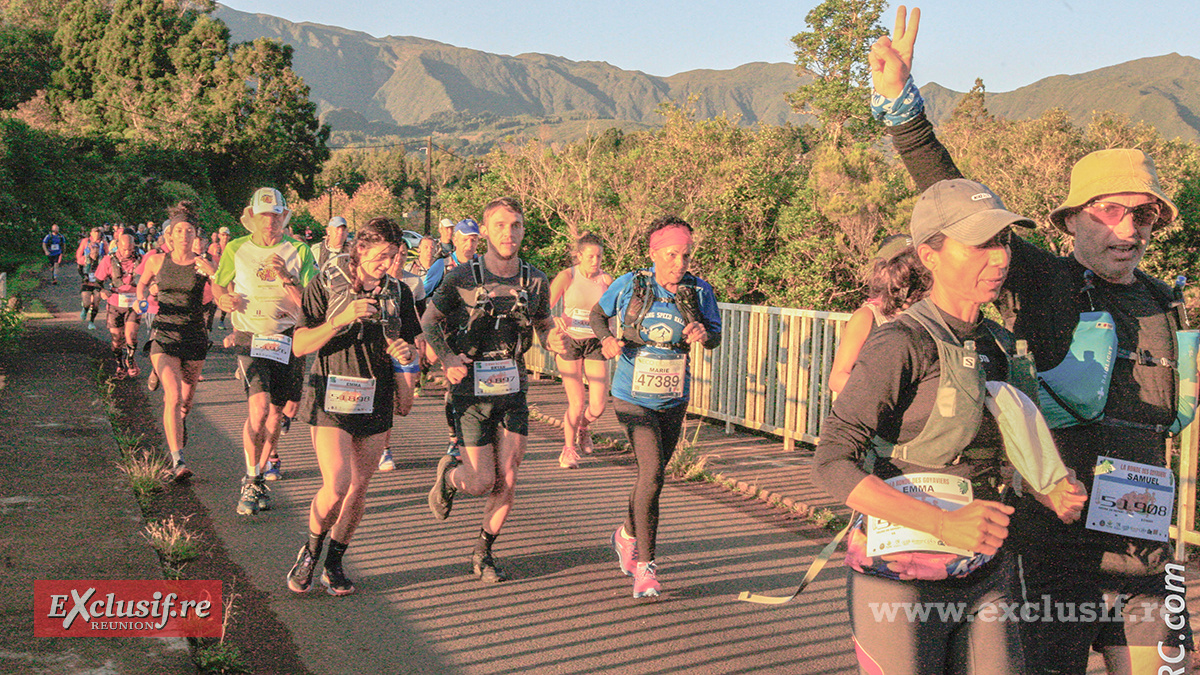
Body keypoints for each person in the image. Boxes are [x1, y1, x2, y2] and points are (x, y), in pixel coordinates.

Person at [871, 8, 1194, 673]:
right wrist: (902, 108)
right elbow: (953, 197)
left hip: (1145, 552)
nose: (1126, 228)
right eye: (1108, 211)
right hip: (1055, 550)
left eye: (1140, 213)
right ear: (1072, 219)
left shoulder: (1167, 304)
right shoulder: (1046, 283)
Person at [814, 177, 1088, 674]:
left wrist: (1047, 487)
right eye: (981, 243)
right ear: (930, 255)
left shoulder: (999, 345)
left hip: (988, 570)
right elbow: (832, 460)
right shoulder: (902, 342)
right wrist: (942, 523)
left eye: (1003, 241)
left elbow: (1000, 449)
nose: (1001, 257)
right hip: (901, 576)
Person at [424, 197, 564, 583]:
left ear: (523, 229)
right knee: (482, 481)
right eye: (500, 225)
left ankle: (484, 552)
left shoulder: (535, 279)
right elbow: (429, 321)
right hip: (471, 391)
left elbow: (544, 323)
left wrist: (556, 341)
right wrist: (449, 359)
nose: (509, 232)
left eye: (516, 225)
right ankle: (451, 475)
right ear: (484, 231)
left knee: (510, 476)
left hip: (513, 387)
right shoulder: (461, 277)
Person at [588, 216, 723, 598]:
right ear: (653, 254)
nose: (680, 263)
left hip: (673, 398)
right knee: (652, 473)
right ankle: (645, 567)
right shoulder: (632, 284)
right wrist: (607, 340)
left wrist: (703, 334)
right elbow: (598, 315)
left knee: (653, 476)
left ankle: (626, 534)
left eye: (685, 255)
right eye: (672, 255)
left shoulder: (698, 291)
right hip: (631, 396)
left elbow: (714, 336)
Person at [285, 216, 421, 596]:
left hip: (376, 398)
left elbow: (413, 347)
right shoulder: (327, 282)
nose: (388, 264)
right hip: (331, 395)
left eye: (394, 256)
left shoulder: (400, 293)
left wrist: (406, 352)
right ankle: (311, 550)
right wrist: (342, 318)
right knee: (338, 483)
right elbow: (299, 345)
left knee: (359, 487)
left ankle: (335, 560)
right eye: (380, 256)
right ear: (359, 250)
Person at [213, 188, 317, 514]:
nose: (269, 223)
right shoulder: (236, 249)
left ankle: (258, 477)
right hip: (250, 337)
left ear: (283, 217)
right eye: (263, 217)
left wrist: (287, 277)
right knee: (257, 411)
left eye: (275, 217)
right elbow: (219, 284)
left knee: (276, 415)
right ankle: (250, 477)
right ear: (252, 218)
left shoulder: (299, 250)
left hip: (288, 337)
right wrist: (222, 299)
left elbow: (312, 304)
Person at [136, 203, 216, 482]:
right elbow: (142, 283)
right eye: (178, 230)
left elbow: (220, 294)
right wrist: (141, 297)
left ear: (196, 236)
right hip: (165, 334)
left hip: (194, 336)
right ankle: (178, 460)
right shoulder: (157, 260)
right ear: (170, 236)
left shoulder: (202, 263)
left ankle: (179, 424)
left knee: (186, 401)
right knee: (173, 395)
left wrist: (212, 273)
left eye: (189, 230)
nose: (184, 235)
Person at [829, 234, 930, 395]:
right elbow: (837, 378)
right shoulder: (867, 316)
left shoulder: (927, 315)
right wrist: (886, 391)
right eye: (901, 268)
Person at [548, 233, 614, 468]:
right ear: (579, 256)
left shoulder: (606, 279)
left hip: (595, 341)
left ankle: (583, 428)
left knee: (598, 405)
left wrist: (612, 335)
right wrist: (555, 321)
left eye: (598, 257)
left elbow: (612, 311)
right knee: (576, 403)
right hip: (570, 341)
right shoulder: (567, 276)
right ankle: (568, 450)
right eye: (590, 257)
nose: (595, 262)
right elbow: (544, 310)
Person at [423, 219, 481, 459]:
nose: (470, 243)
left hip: (478, 335)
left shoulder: (483, 265)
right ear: (454, 239)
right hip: (449, 335)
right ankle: (454, 438)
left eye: (474, 239)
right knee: (454, 388)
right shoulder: (442, 265)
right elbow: (422, 295)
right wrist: (426, 335)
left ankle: (479, 437)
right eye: (465, 238)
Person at [378, 239, 428, 472]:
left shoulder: (407, 286)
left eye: (403, 254)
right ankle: (384, 449)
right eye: (394, 253)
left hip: (404, 347)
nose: (398, 258)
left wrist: (421, 345)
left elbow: (419, 318)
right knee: (384, 400)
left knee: (404, 406)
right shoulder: (371, 284)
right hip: (379, 350)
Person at [94, 232, 144, 379]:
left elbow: (150, 278)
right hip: (115, 303)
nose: (128, 252)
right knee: (116, 340)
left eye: (130, 248)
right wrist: (102, 291)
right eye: (124, 249)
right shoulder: (108, 260)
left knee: (131, 335)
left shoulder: (141, 259)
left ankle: (130, 360)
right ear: (118, 247)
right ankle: (119, 364)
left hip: (133, 303)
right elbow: (97, 283)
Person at [76, 227, 107, 330]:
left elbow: (107, 257)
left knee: (96, 302)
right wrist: (83, 275)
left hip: (98, 282)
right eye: (93, 248)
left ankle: (91, 322)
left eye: (97, 249)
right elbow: (79, 266)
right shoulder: (85, 255)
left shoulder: (102, 256)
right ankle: (85, 309)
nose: (95, 250)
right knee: (86, 302)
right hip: (87, 282)